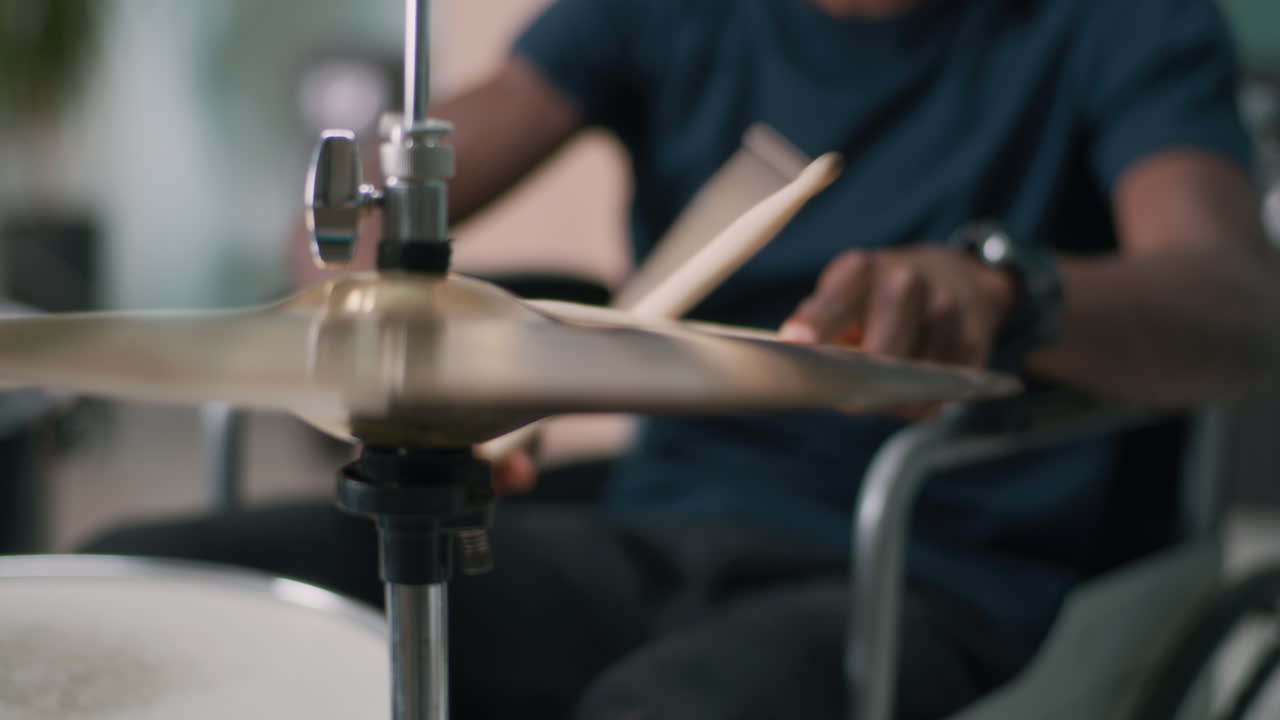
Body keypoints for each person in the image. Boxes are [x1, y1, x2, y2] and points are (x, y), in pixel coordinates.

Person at [85, 0, 1280, 718]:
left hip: (928, 565)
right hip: (645, 530)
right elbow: (335, 234)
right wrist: (429, 349)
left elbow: (1236, 307)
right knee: (145, 604)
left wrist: (1008, 289)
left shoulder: (1115, 20)